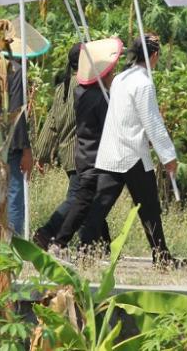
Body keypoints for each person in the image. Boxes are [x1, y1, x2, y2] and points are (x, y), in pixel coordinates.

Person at [86, 34, 186, 268]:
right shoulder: (143, 83)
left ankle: (84, 249)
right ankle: (161, 257)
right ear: (153, 56)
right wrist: (168, 156)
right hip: (133, 155)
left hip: (113, 151)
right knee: (149, 208)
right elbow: (152, 121)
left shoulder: (120, 78)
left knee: (100, 205)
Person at [47, 38, 121, 252]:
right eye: (110, 72)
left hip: (83, 155)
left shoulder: (79, 92)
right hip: (95, 157)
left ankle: (99, 246)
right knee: (82, 202)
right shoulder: (99, 98)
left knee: (93, 202)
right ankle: (59, 241)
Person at [0, 18, 47, 236]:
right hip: (10, 143)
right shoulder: (15, 71)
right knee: (15, 193)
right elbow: (17, 114)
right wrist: (26, 149)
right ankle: (15, 241)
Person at [31, 43, 82, 248]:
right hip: (84, 153)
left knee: (88, 200)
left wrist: (41, 155)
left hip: (68, 154)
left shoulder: (63, 87)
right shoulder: (86, 87)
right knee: (78, 199)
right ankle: (47, 233)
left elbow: (51, 125)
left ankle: (99, 244)